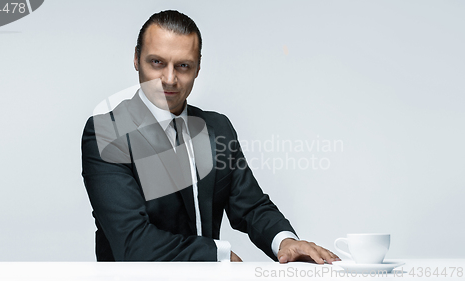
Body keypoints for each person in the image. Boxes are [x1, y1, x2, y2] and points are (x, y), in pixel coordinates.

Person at [81, 10, 340, 263]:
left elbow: (250, 206)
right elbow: (132, 243)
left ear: (198, 68)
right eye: (157, 62)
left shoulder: (217, 128)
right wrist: (217, 255)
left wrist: (286, 243)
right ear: (137, 59)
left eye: (183, 66)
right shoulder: (107, 132)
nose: (169, 79)